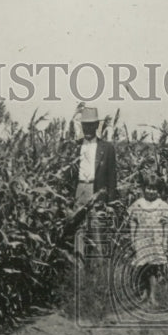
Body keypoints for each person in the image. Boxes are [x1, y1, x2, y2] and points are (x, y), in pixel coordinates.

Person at [71, 106, 118, 258]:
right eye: (85, 125)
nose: (88, 128)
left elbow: (112, 177)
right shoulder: (75, 146)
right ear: (82, 126)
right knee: (79, 230)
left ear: (97, 125)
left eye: (91, 125)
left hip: (97, 190)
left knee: (97, 229)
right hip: (80, 190)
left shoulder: (107, 148)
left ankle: (98, 272)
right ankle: (79, 268)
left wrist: (110, 203)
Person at [126, 173, 168, 306]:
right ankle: (143, 293)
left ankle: (152, 295)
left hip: (155, 241)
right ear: (143, 188)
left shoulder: (161, 205)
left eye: (154, 189)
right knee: (142, 268)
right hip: (142, 240)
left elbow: (166, 225)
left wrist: (164, 241)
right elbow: (133, 222)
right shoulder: (139, 204)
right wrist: (132, 238)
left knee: (153, 269)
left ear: (158, 191)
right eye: (149, 188)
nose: (151, 191)